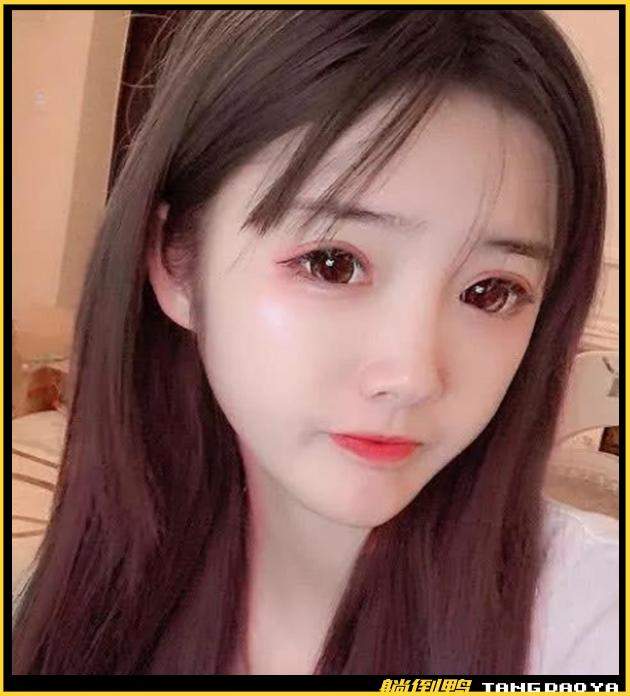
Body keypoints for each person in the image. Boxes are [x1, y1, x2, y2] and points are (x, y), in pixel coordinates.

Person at [12, 9, 618, 675]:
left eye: (491, 291)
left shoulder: (591, 617)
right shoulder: (63, 613)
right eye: (333, 264)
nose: (413, 376)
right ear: (178, 261)